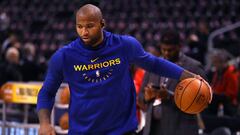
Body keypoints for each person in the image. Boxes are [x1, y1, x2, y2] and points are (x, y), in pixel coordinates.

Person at [37, 4, 205, 135]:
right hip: (83, 131)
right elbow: (47, 92)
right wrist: (44, 123)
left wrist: (186, 75)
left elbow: (153, 63)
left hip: (122, 131)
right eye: (79, 26)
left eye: (90, 26)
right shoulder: (64, 56)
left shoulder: (124, 45)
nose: (84, 32)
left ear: (102, 24)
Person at [138, 30, 207, 135]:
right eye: (163, 49)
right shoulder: (153, 65)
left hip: (181, 128)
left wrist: (169, 96)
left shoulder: (193, 67)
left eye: (170, 50)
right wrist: (147, 97)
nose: (166, 53)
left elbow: (202, 100)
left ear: (180, 46)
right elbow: (141, 96)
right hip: (154, 128)